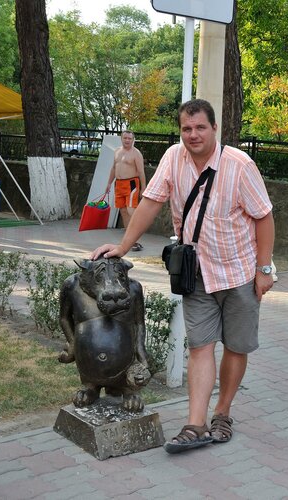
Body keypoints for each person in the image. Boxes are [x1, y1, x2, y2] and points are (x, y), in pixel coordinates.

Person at [91, 99, 275, 453]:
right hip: (196, 273)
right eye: (186, 128)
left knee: (236, 347)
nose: (193, 135)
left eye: (200, 127)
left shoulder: (239, 165)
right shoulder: (173, 158)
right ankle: (195, 424)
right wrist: (123, 246)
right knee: (200, 346)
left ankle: (222, 413)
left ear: (214, 128)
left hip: (239, 273)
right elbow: (150, 202)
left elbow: (264, 217)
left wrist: (264, 270)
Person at [105, 130, 146, 252]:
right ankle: (129, 240)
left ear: (133, 140)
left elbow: (141, 171)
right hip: (119, 184)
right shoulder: (117, 151)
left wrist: (143, 188)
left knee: (131, 210)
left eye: (129, 138)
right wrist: (109, 183)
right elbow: (114, 168)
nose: (127, 140)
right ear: (121, 139)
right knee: (123, 211)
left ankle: (136, 239)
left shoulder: (136, 153)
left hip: (131, 184)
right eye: (125, 138)